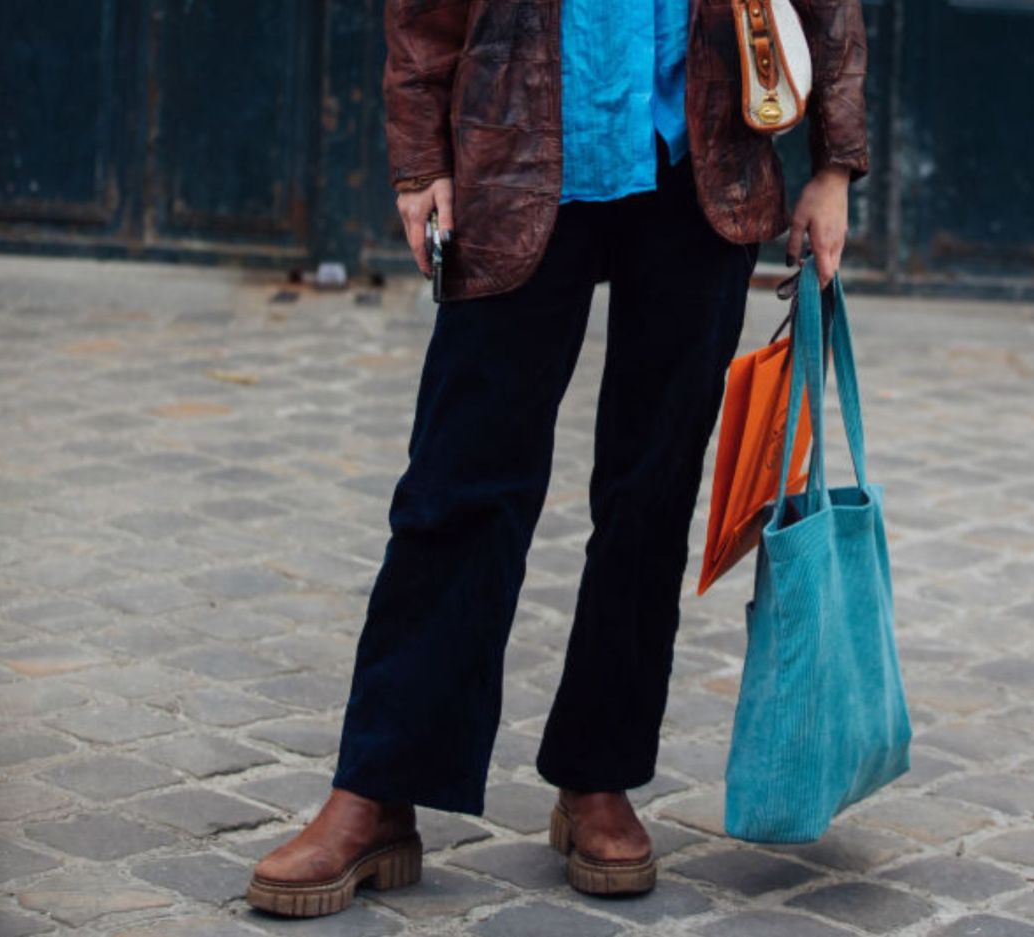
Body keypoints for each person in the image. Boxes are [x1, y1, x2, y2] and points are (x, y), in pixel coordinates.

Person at [245, 0, 868, 917]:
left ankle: (597, 777)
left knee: (650, 492)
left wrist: (834, 165)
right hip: (520, 149)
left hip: (697, 159)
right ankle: (379, 789)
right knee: (456, 486)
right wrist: (421, 159)